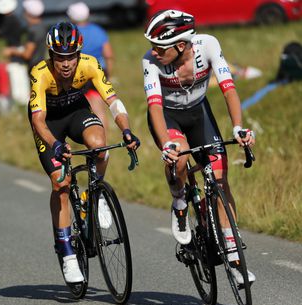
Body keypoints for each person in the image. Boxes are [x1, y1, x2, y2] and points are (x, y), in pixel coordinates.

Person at [142, 10, 256, 284]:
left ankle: (233, 254)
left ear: (180, 45)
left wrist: (238, 127)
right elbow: (154, 106)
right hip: (168, 117)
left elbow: (229, 88)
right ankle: (180, 202)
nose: (153, 52)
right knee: (179, 159)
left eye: (159, 47)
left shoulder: (208, 45)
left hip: (198, 114)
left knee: (219, 176)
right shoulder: (150, 61)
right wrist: (167, 144)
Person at [29, 22, 140, 283]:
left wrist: (126, 130)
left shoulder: (90, 64)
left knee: (99, 148)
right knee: (61, 183)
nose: (66, 63)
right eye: (60, 57)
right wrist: (55, 144)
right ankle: (67, 252)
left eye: (71, 56)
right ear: (51, 55)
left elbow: (113, 101)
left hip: (77, 111)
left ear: (78, 54)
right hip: (49, 123)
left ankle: (96, 194)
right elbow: (38, 120)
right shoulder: (40, 72)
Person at [67, 1, 114, 132]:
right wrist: (108, 74)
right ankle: (104, 136)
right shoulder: (98, 30)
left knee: (86, 108)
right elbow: (108, 54)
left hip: (80, 73)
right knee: (100, 107)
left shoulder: (72, 33)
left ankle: (91, 135)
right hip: (99, 70)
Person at [3, 0, 47, 71]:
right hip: (41, 66)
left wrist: (11, 51)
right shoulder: (42, 26)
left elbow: (27, 54)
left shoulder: (33, 31)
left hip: (34, 69)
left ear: (28, 13)